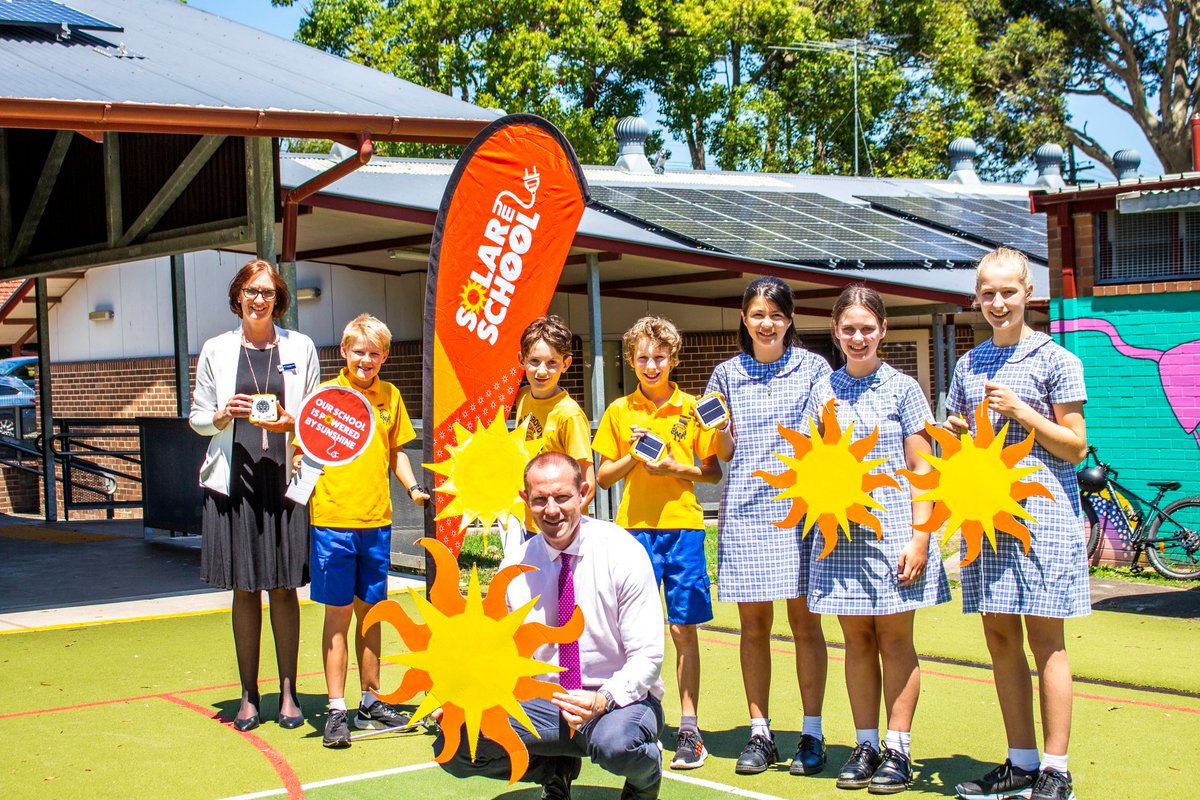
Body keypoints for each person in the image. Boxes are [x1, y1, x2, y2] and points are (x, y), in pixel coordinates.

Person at [439, 451, 666, 800]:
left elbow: (648, 657)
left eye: (562, 497)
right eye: (540, 499)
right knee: (454, 743)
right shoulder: (514, 565)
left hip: (620, 701)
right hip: (546, 706)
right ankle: (553, 769)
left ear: (584, 493)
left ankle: (645, 779)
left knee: (617, 744)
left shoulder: (623, 552)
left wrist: (602, 699)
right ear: (524, 500)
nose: (552, 510)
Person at [946, 248, 1088, 800]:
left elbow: (1075, 446)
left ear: (1028, 293)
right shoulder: (968, 365)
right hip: (986, 519)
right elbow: (960, 441)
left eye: (1008, 292)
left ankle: (1056, 770)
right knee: (1000, 637)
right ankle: (1021, 764)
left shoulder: (1057, 360)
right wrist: (955, 430)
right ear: (977, 298)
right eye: (988, 293)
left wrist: (1025, 413)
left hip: (1045, 520)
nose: (998, 302)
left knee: (1046, 643)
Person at [807, 285, 951, 793]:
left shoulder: (905, 389)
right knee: (856, 641)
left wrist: (920, 537)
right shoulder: (822, 389)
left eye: (867, 327)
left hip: (895, 536)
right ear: (836, 331)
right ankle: (864, 744)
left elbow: (921, 467)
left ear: (883, 330)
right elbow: (812, 467)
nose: (858, 336)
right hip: (840, 539)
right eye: (848, 328)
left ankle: (898, 748)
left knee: (895, 641)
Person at [705, 275, 831, 776]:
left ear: (790, 319)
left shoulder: (815, 368)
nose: (767, 323)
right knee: (753, 627)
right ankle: (760, 734)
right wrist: (719, 436)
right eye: (758, 314)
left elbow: (829, 432)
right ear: (744, 318)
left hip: (801, 513)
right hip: (746, 514)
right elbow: (725, 453)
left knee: (806, 624)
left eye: (776, 314)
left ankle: (812, 732)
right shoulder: (725, 375)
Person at [189, 259, 319, 732]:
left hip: (284, 482)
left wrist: (289, 423)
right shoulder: (216, 350)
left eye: (266, 291)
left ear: (278, 298)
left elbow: (314, 417)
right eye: (250, 291)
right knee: (245, 589)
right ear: (238, 297)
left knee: (284, 588)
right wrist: (222, 415)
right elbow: (197, 418)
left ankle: (288, 693)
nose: (259, 299)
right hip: (235, 484)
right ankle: (248, 696)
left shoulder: (300, 347)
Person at [592, 316, 721, 770]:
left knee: (684, 630)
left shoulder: (695, 406)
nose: (651, 365)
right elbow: (602, 476)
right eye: (642, 358)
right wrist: (634, 454)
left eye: (659, 357)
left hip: (683, 529)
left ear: (674, 358)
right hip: (632, 530)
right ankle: (635, 714)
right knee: (633, 633)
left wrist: (670, 467)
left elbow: (712, 470)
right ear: (630, 360)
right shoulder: (619, 410)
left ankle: (689, 728)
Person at [297, 313, 430, 748]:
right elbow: (301, 450)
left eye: (375, 353)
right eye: (359, 352)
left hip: (378, 522)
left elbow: (397, 452)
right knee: (336, 616)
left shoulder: (390, 396)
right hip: (333, 522)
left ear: (385, 356)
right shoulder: (324, 396)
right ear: (344, 351)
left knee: (371, 615)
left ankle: (370, 700)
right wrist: (297, 463)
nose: (366, 360)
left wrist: (413, 488)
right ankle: (336, 710)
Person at [512, 314, 595, 536]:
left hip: (556, 529)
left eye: (552, 363)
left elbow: (587, 483)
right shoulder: (523, 397)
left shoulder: (569, 415)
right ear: (521, 360)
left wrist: (562, 530)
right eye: (534, 361)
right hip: (528, 524)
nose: (542, 371)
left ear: (565, 364)